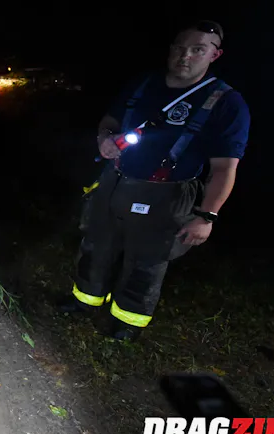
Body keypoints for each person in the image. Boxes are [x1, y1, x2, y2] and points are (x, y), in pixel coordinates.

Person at [63, 20, 250, 341]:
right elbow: (111, 119)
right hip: (115, 179)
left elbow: (224, 168)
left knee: (146, 261)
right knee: (96, 242)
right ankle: (84, 300)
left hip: (167, 193)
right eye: (180, 47)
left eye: (198, 49)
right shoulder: (144, 82)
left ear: (215, 55)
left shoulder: (227, 103)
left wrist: (207, 216)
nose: (185, 56)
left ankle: (128, 322)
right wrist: (104, 137)